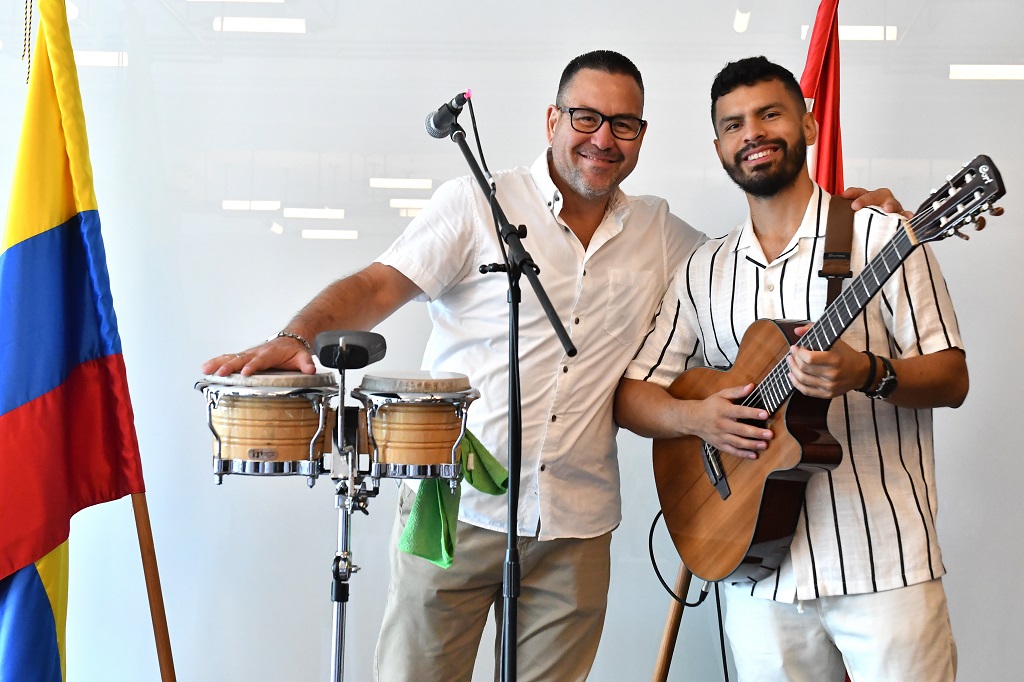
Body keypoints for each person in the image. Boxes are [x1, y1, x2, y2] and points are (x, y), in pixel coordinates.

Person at [202, 51, 901, 681]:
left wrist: (842, 218)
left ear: (642, 137)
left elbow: (746, 261)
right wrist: (297, 334)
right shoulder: (480, 204)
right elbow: (380, 284)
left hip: (576, 525)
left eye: (623, 125)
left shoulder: (661, 233)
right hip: (455, 503)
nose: (603, 138)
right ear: (552, 120)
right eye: (587, 118)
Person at [615, 56, 965, 681]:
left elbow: (951, 377)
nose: (752, 133)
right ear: (719, 145)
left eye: (769, 114)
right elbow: (635, 396)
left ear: (806, 122)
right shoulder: (703, 269)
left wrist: (868, 372)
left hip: (883, 566)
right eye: (733, 124)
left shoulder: (886, 237)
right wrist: (699, 417)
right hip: (755, 577)